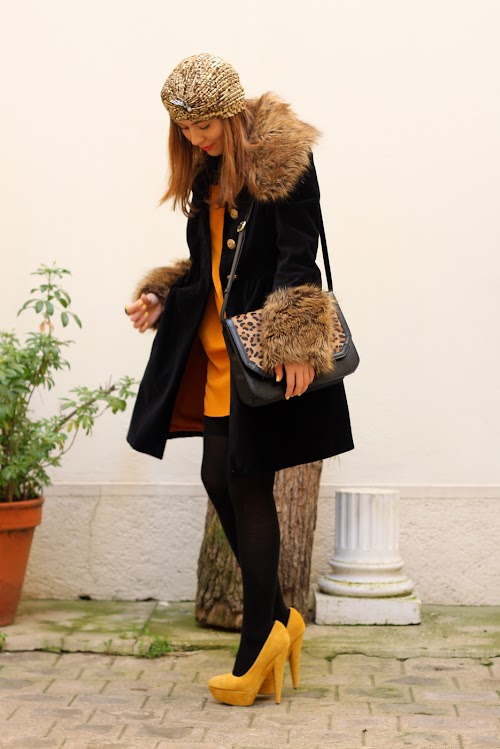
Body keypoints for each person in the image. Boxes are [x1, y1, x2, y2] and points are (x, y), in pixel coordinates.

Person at [125, 53, 354, 706]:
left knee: (248, 482)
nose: (194, 138)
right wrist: (163, 297)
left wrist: (295, 340)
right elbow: (206, 265)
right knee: (217, 477)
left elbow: (297, 256)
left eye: (203, 125)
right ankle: (279, 619)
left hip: (259, 353)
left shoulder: (281, 158)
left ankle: (257, 646)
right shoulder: (205, 172)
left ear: (229, 113)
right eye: (184, 128)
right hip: (215, 351)